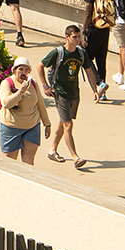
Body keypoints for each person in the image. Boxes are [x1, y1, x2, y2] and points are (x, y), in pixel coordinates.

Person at [37, 24, 99, 168]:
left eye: (79, 37)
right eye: (74, 37)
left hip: (74, 94)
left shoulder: (81, 53)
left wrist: (95, 90)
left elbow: (89, 71)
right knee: (68, 125)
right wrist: (45, 86)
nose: (78, 40)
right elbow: (40, 66)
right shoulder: (57, 53)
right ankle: (75, 157)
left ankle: (52, 151)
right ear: (67, 37)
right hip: (61, 93)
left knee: (62, 122)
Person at [0, 57, 52, 165]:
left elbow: (40, 104)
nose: (23, 72)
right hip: (11, 126)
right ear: (14, 70)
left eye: (26, 70)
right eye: (20, 69)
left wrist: (47, 124)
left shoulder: (32, 83)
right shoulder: (7, 83)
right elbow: (6, 103)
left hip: (32, 126)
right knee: (10, 161)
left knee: (28, 162)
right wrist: (20, 92)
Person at [81, 0, 114, 101]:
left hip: (93, 29)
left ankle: (100, 83)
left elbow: (88, 13)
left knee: (85, 57)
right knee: (101, 60)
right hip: (105, 29)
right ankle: (103, 92)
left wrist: (83, 32)